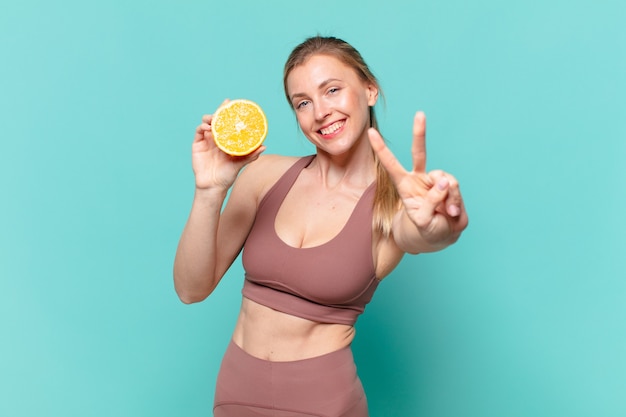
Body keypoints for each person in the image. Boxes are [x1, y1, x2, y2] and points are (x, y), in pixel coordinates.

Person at [173, 35, 468, 417]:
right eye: (303, 102)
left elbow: (421, 234)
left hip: (323, 404)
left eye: (332, 90)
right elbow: (190, 289)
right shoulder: (262, 176)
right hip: (235, 393)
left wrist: (442, 226)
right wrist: (209, 190)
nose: (320, 112)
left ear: (369, 89)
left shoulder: (392, 203)